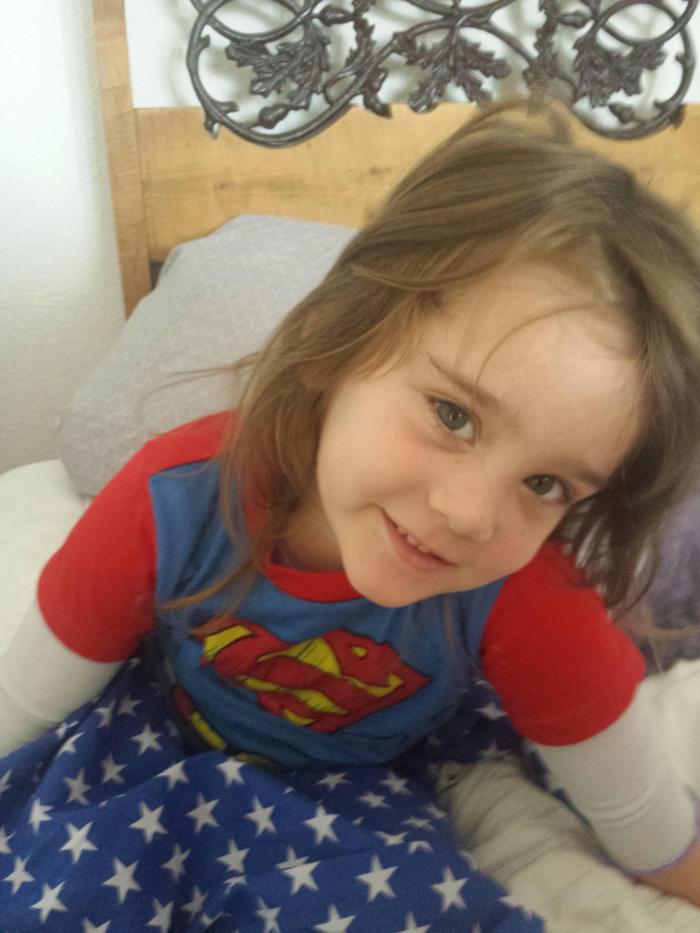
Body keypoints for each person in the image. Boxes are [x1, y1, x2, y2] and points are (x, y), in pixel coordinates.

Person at [2, 101, 700, 909]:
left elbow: (646, 822)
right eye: (453, 414)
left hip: (362, 784)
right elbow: (19, 709)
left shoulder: (524, 587)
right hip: (156, 731)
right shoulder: (169, 500)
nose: (470, 514)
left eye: (546, 484)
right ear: (337, 340)